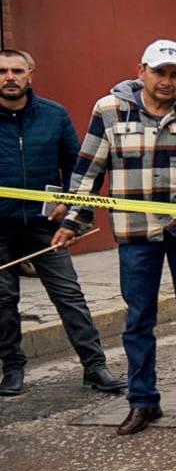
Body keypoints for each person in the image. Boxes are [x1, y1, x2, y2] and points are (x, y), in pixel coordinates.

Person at [59, 40, 176, 432]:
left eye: (175, 74)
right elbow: (89, 170)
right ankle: (143, 401)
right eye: (159, 72)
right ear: (141, 70)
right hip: (135, 231)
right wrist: (72, 221)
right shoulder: (109, 110)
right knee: (139, 319)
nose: (166, 81)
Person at [0, 49, 121, 397]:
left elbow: (77, 166)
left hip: (45, 225)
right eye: (3, 71)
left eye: (17, 70)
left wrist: (68, 204)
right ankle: (13, 368)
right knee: (3, 300)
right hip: (0, 227)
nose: (10, 77)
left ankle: (95, 366)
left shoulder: (54, 114)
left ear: (30, 74)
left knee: (69, 296)